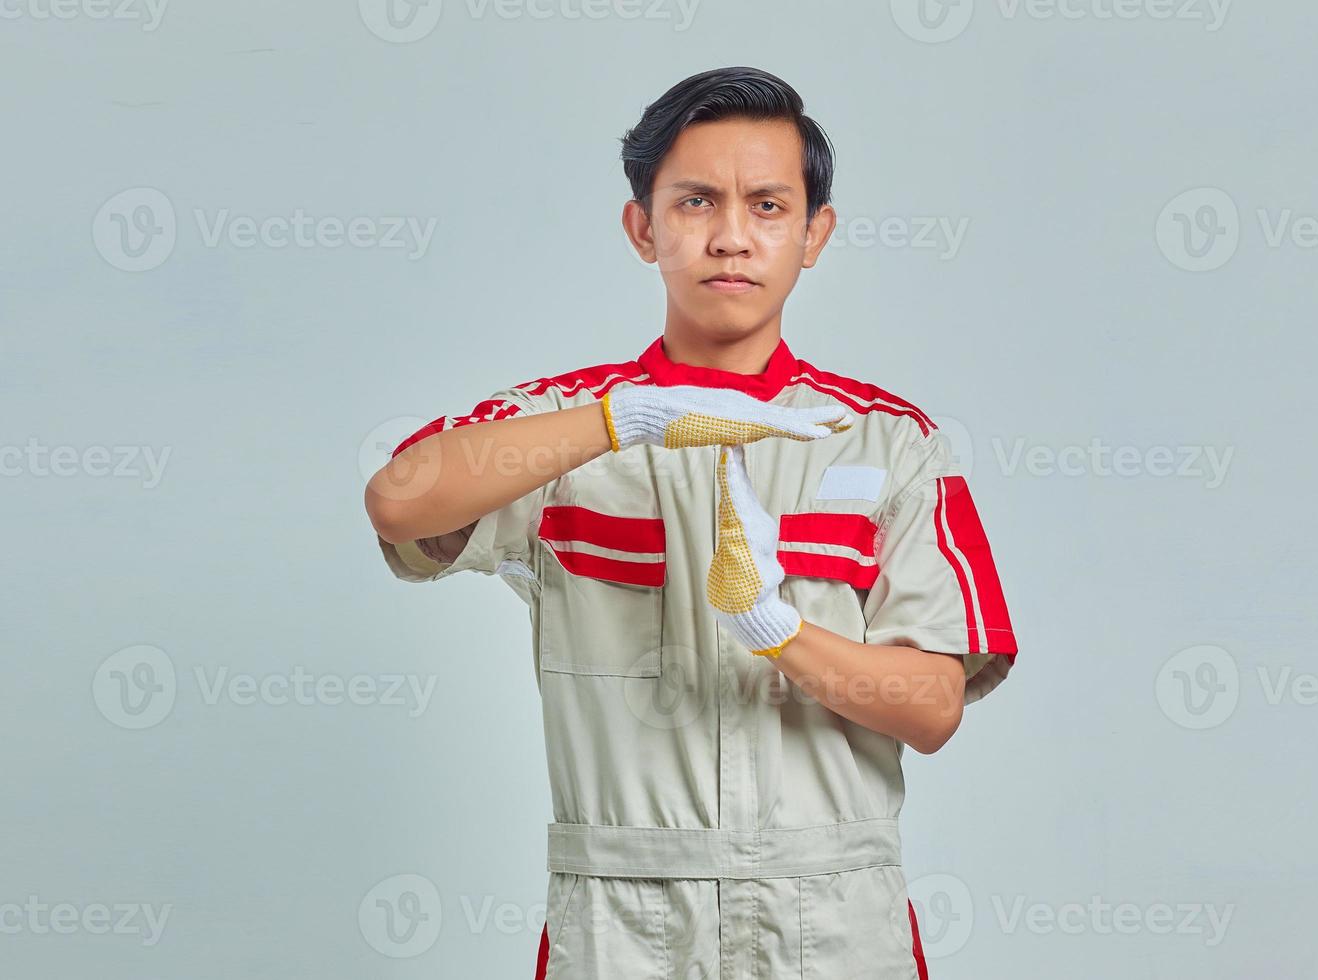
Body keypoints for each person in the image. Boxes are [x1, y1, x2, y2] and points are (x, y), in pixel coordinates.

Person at [364, 65, 1018, 980]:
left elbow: (933, 708)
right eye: (696, 202)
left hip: (832, 921)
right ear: (644, 227)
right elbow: (398, 500)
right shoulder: (561, 427)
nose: (731, 238)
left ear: (815, 233)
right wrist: (620, 420)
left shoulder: (890, 443)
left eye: (768, 206)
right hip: (624, 918)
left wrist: (776, 629)